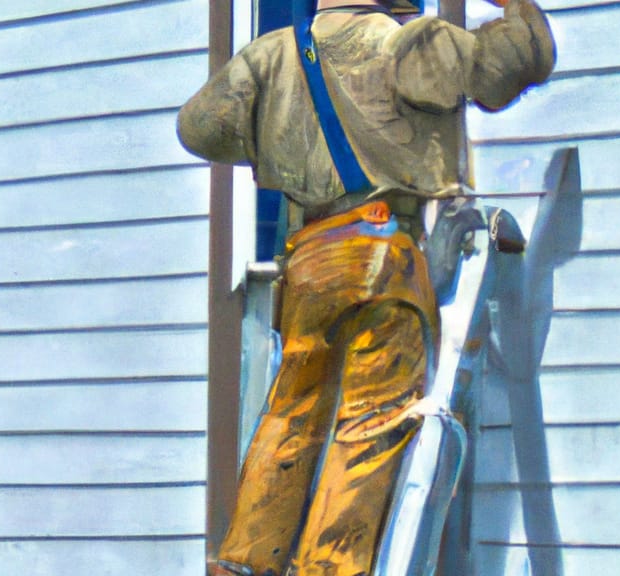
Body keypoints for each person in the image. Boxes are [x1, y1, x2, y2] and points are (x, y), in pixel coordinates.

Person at [178, 1, 554, 574]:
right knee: (370, 422)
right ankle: (329, 567)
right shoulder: (409, 44)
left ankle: (247, 559)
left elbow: (199, 127)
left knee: (292, 414)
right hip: (383, 251)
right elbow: (507, 65)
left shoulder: (272, 55)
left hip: (309, 260)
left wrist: (274, 130)